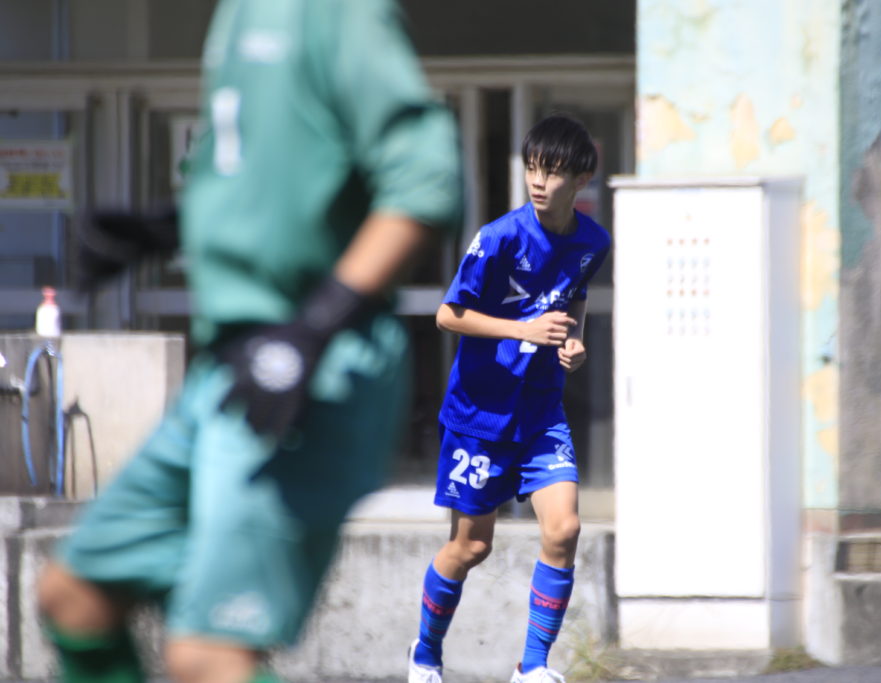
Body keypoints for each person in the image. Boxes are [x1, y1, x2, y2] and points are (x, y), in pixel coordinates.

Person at [35, 1, 463, 682]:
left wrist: (311, 329)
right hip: (230, 368)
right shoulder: (237, 14)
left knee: (207, 655)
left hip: (309, 368)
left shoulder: (334, 11)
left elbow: (427, 182)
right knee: (75, 596)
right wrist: (168, 227)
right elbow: (275, 176)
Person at [407, 114, 610, 683]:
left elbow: (574, 296)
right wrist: (523, 330)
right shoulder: (499, 238)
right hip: (479, 416)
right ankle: (424, 654)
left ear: (582, 178)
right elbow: (448, 315)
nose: (539, 182)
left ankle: (532, 667)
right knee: (471, 548)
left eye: (553, 172)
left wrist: (573, 340)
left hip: (541, 410)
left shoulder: (594, 241)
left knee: (564, 529)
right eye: (532, 169)